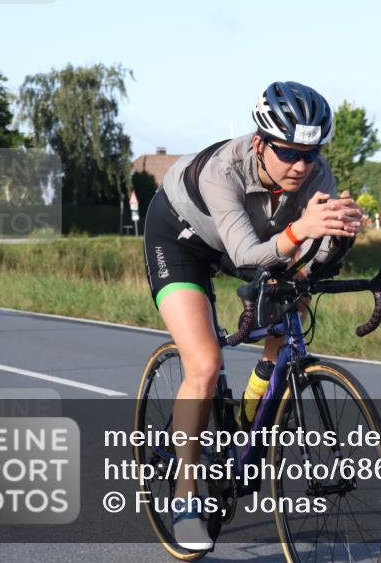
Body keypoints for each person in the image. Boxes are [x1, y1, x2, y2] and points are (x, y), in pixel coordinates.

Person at [142, 81, 364, 550]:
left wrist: (339, 237)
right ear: (261, 143)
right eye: (288, 153)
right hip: (181, 239)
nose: (301, 166)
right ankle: (186, 499)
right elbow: (246, 257)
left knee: (294, 297)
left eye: (311, 153)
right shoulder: (222, 170)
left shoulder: (314, 173)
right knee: (202, 364)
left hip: (252, 242)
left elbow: (306, 256)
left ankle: (257, 392)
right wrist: (303, 227)